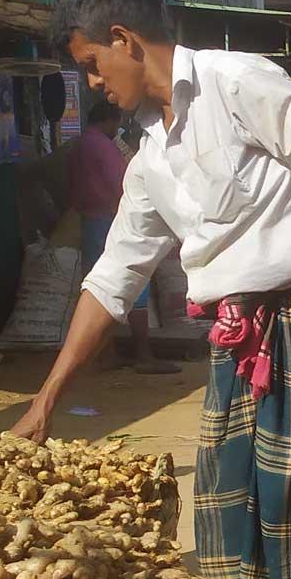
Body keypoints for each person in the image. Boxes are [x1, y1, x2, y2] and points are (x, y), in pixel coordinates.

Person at [11, 0, 291, 579]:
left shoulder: (237, 81)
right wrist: (46, 399)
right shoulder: (148, 153)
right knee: (220, 482)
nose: (93, 82)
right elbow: (114, 275)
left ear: (124, 40)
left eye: (92, 64)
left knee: (288, 487)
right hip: (237, 326)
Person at [75, 98, 177, 374]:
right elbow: (122, 184)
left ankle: (104, 354)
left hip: (91, 220)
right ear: (110, 119)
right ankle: (143, 355)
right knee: (134, 286)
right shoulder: (103, 146)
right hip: (110, 219)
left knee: (97, 285)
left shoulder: (83, 142)